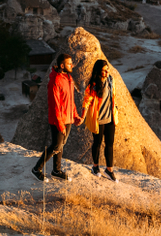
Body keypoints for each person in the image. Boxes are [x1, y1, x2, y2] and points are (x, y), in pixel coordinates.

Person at [32, 53, 82, 181]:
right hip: (57, 119)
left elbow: (70, 100)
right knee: (55, 146)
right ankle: (36, 169)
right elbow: (55, 105)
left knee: (61, 145)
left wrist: (75, 116)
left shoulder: (68, 78)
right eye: (69, 63)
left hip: (68, 118)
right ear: (62, 65)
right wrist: (60, 124)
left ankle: (56, 170)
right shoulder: (55, 80)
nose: (72, 65)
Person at [82, 59, 118, 181]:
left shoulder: (111, 80)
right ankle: (95, 167)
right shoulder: (93, 85)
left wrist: (115, 110)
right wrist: (82, 115)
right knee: (97, 143)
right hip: (98, 119)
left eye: (107, 69)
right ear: (98, 71)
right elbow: (87, 100)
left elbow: (113, 97)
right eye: (103, 70)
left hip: (110, 118)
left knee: (110, 144)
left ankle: (109, 169)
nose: (106, 72)